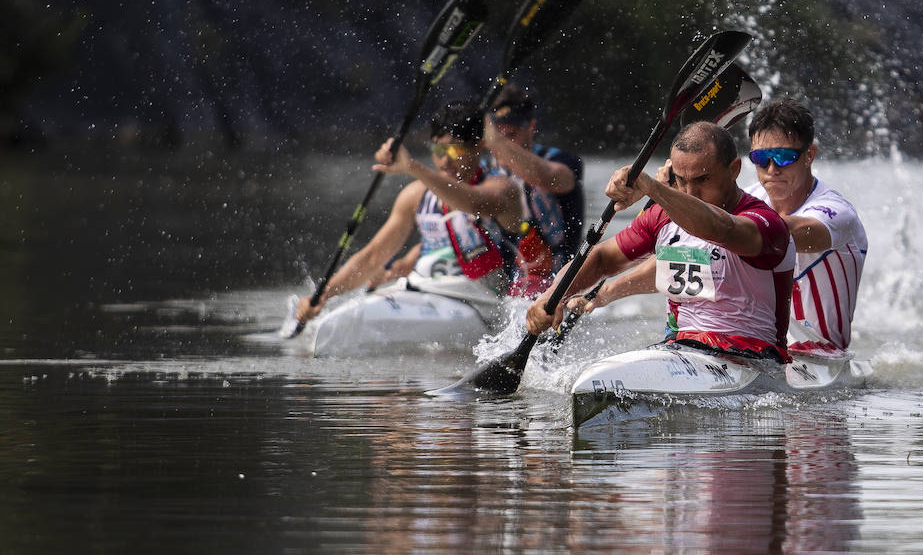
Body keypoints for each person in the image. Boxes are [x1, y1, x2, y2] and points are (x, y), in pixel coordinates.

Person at [525, 121, 796, 361]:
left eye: (702, 179)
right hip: (681, 348)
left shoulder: (765, 223)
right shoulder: (661, 217)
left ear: (734, 170)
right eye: (681, 180)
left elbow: (718, 229)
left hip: (755, 356)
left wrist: (652, 188)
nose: (691, 192)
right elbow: (602, 258)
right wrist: (552, 297)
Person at [294, 100, 525, 327]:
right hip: (420, 293)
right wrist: (324, 294)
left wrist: (413, 167)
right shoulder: (415, 195)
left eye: (454, 148)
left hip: (481, 308)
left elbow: (473, 204)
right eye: (437, 148)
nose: (444, 160)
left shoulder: (503, 189)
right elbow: (374, 256)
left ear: (478, 146)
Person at [746, 98, 868, 354]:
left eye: (783, 156)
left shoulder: (836, 212)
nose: (771, 169)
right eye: (760, 157)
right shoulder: (747, 200)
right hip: (756, 346)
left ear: (809, 155)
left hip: (820, 355)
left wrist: (716, 221)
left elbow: (783, 234)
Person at [483, 85, 585, 295]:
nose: (503, 146)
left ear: (531, 127)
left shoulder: (563, 162)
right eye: (497, 137)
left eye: (511, 135)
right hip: (499, 285)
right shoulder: (485, 170)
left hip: (553, 284)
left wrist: (494, 139)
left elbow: (545, 176)